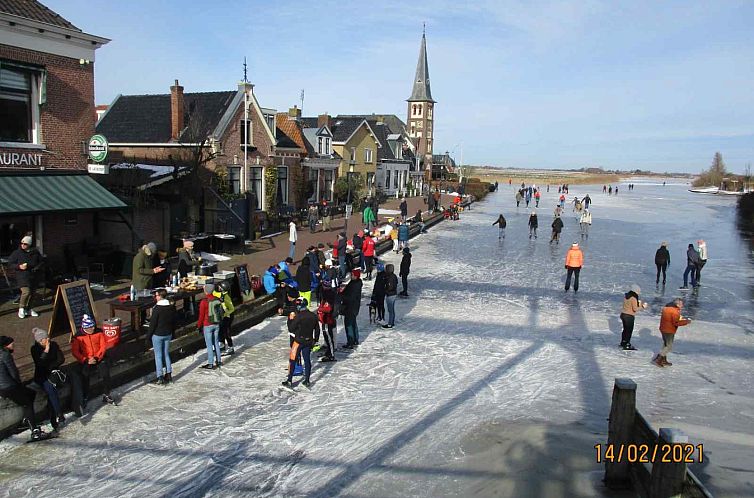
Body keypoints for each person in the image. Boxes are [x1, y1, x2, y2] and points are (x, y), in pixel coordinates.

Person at [0, 335, 44, 439]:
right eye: (11, 343)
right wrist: (18, 384)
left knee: (31, 393)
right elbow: (13, 372)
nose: (13, 344)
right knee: (27, 403)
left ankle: (27, 419)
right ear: (5, 345)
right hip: (9, 386)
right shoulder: (5, 354)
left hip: (3, 388)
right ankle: (35, 430)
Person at [71, 314, 115, 408]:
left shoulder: (99, 332)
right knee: (84, 377)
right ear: (85, 328)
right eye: (91, 327)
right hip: (86, 360)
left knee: (105, 374)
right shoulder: (78, 337)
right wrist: (85, 360)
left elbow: (103, 346)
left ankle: (107, 394)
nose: (93, 328)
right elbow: (75, 351)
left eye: (93, 326)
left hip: (98, 358)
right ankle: (84, 397)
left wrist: (97, 357)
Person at [30, 328, 65, 431]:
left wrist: (51, 367)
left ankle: (55, 418)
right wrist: (46, 351)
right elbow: (40, 363)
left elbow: (61, 359)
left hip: (53, 373)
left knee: (53, 390)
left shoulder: (54, 345)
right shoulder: (34, 349)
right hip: (42, 376)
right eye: (46, 338)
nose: (48, 339)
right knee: (51, 389)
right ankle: (58, 414)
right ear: (40, 340)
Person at [282, 298, 319, 388]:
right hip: (308, 340)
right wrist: (315, 340)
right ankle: (307, 380)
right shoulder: (313, 315)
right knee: (307, 360)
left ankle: (289, 380)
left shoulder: (298, 316)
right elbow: (317, 329)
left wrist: (290, 320)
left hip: (298, 341)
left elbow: (291, 328)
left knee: (292, 359)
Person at [8, 235, 43, 318]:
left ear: (29, 245)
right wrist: (19, 267)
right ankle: (21, 308)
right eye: (22, 243)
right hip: (22, 276)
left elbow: (41, 262)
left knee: (33, 293)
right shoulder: (16, 253)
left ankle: (29, 309)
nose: (23, 245)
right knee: (26, 291)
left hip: (34, 275)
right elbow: (10, 264)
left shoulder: (35, 252)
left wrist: (37, 268)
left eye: (25, 244)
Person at [148, 289, 175, 384]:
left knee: (158, 356)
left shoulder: (157, 309)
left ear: (160, 296)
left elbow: (153, 324)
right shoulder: (171, 307)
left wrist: (148, 336)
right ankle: (169, 374)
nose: (155, 297)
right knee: (166, 354)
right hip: (168, 334)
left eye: (156, 296)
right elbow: (173, 322)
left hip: (158, 335)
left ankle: (160, 377)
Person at [653, 298, 691, 367]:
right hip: (669, 330)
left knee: (665, 344)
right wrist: (686, 321)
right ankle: (659, 359)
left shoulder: (666, 308)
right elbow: (676, 323)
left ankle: (663, 359)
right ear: (677, 304)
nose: (682, 306)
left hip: (663, 329)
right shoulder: (674, 311)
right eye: (681, 304)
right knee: (669, 346)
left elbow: (670, 319)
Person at [197, 284, 223, 369]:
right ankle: (219, 361)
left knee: (209, 345)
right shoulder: (217, 299)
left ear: (206, 291)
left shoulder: (204, 302)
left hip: (207, 325)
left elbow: (201, 316)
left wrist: (198, 326)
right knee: (216, 342)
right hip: (216, 323)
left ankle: (210, 363)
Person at [619, 285, 647, 350]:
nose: (639, 293)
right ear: (635, 291)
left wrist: (638, 304)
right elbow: (635, 309)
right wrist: (643, 306)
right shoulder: (633, 298)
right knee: (629, 331)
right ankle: (627, 344)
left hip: (623, 314)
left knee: (625, 329)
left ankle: (623, 342)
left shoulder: (626, 296)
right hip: (629, 316)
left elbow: (629, 306)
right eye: (638, 291)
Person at [341, 268, 363, 348]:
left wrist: (341, 296)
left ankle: (350, 341)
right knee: (353, 323)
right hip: (354, 307)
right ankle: (355, 339)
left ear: (356, 276)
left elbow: (350, 297)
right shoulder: (355, 283)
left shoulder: (354, 285)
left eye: (352, 275)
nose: (351, 276)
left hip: (350, 307)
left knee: (349, 324)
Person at [213, 281, 236, 354]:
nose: (218, 288)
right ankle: (222, 345)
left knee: (226, 332)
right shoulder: (218, 294)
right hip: (221, 315)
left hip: (227, 316)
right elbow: (213, 293)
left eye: (220, 288)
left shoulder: (226, 297)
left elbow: (232, 309)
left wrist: (226, 314)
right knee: (220, 330)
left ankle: (230, 347)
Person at [317, 297, 337, 362]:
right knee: (326, 337)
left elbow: (328, 309)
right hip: (324, 321)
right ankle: (328, 352)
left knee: (329, 339)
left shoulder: (329, 300)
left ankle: (331, 354)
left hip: (328, 322)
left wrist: (320, 309)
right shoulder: (323, 300)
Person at [383, 264, 399, 329]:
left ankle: (390, 324)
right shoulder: (394, 276)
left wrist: (385, 290)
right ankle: (392, 322)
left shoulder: (390, 277)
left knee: (390, 310)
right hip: (393, 294)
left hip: (390, 295)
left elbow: (390, 287)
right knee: (392, 310)